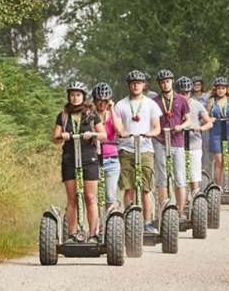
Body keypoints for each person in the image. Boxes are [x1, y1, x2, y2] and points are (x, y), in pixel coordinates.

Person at [52, 81, 106, 243]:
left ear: (83, 96)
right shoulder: (63, 116)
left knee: (90, 197)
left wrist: (93, 134)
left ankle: (93, 234)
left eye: (78, 95)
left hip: (88, 158)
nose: (75, 98)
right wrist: (63, 136)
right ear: (69, 96)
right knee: (72, 199)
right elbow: (54, 139)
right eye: (72, 95)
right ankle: (72, 234)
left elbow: (103, 135)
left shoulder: (91, 115)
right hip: (69, 158)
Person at [113, 70, 162, 234]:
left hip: (145, 149)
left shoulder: (151, 104)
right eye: (133, 82)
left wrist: (151, 133)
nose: (136, 85)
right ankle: (128, 222)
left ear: (144, 85)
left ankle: (147, 223)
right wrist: (122, 131)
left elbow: (157, 127)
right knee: (129, 188)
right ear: (128, 85)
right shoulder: (121, 104)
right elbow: (118, 125)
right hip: (127, 149)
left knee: (146, 188)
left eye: (139, 83)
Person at [151, 69, 191, 218]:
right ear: (159, 84)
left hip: (177, 142)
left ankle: (180, 211)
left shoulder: (181, 99)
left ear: (172, 81)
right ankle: (164, 211)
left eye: (168, 81)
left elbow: (188, 119)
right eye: (162, 82)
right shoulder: (154, 101)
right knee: (162, 177)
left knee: (179, 177)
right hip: (160, 141)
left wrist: (182, 126)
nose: (165, 84)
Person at [205, 77, 229, 194]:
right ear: (215, 90)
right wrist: (210, 119)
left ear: (226, 89)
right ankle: (218, 186)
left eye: (223, 88)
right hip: (216, 133)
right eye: (218, 88)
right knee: (219, 161)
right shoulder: (211, 101)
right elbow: (204, 117)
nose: (221, 90)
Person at [175, 76, 214, 193]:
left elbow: (209, 123)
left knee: (194, 175)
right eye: (182, 93)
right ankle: (181, 200)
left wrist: (200, 128)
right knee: (180, 174)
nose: (184, 96)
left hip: (194, 143)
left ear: (190, 92)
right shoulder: (173, 104)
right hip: (179, 144)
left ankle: (195, 197)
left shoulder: (196, 105)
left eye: (187, 93)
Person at [91, 82, 122, 211]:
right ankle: (98, 226)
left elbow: (119, 130)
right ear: (94, 101)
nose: (102, 104)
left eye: (105, 101)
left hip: (112, 159)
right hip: (95, 159)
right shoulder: (90, 116)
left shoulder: (113, 115)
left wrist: (112, 110)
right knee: (96, 197)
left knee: (110, 196)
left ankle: (111, 222)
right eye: (99, 101)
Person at [191, 75, 212, 171]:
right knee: (195, 149)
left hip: (205, 125)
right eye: (195, 84)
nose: (197, 86)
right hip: (195, 126)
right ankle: (196, 170)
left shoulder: (207, 96)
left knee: (206, 149)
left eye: (199, 84)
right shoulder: (190, 97)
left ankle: (205, 170)